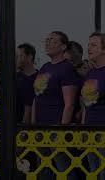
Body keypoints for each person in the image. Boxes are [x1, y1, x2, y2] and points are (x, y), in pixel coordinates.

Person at [32, 31, 80, 180]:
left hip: (56, 126)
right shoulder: (45, 67)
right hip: (41, 126)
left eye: (52, 40)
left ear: (63, 46)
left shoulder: (66, 68)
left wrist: (61, 131)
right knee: (44, 167)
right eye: (46, 40)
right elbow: (37, 97)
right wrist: (33, 124)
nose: (48, 43)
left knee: (63, 167)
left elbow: (70, 103)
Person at [81, 53, 105, 179]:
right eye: (89, 44)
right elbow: (86, 104)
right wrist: (83, 128)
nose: (89, 48)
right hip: (89, 129)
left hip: (102, 129)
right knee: (92, 171)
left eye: (94, 45)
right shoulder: (90, 74)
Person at [16, 43, 38, 124]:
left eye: (20, 56)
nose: (17, 59)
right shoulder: (14, 78)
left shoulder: (38, 78)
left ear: (29, 57)